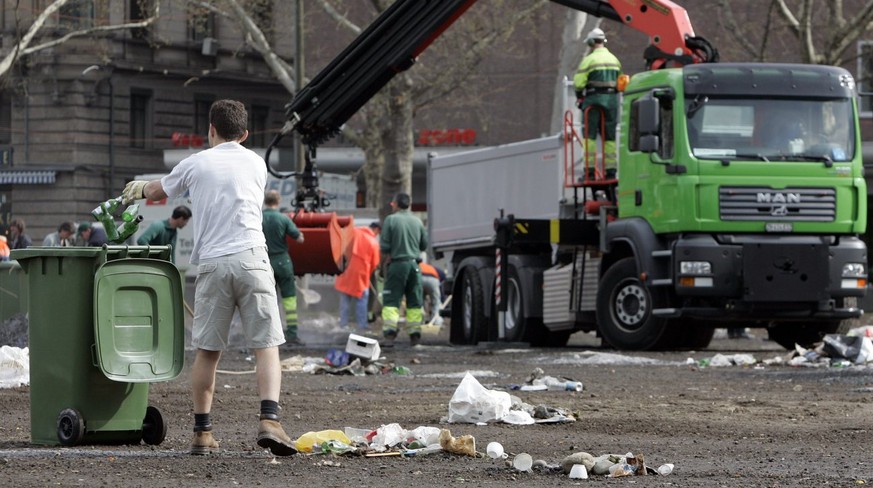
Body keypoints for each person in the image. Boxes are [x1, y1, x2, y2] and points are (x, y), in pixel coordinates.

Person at [120, 99, 297, 457]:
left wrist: (137, 189)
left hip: (214, 264)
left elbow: (157, 191)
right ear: (246, 134)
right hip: (253, 259)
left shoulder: (197, 162)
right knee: (265, 345)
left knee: (208, 352)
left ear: (211, 130)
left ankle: (203, 432)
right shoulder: (258, 163)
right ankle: (270, 420)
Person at [379, 192, 428, 347]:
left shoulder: (391, 220)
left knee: (392, 301)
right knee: (414, 300)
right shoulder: (417, 221)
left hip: (397, 265)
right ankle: (415, 336)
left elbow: (384, 246)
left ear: (396, 204)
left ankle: (389, 335)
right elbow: (424, 245)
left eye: (392, 203)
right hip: (414, 266)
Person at [573, 27, 622, 180]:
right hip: (612, 101)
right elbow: (620, 83)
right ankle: (611, 171)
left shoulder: (589, 60)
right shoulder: (615, 60)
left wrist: (580, 97)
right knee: (609, 137)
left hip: (593, 101)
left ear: (592, 42)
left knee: (590, 136)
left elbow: (579, 83)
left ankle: (590, 172)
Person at [261, 190, 305, 346]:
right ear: (278, 201)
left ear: (265, 201)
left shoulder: (258, 218)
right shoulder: (283, 218)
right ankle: (292, 333)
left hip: (264, 263)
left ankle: (268, 334)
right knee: (289, 300)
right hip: (283, 262)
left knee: (267, 299)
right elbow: (300, 239)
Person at [335, 224, 380, 331]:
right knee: (362, 300)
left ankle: (343, 324)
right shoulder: (373, 242)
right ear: (376, 230)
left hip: (345, 272)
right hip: (361, 275)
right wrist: (369, 273)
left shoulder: (353, 232)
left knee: (345, 299)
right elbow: (374, 263)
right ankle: (362, 325)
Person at [418, 261, 445, 326]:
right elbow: (441, 283)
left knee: (420, 302)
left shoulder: (415, 266)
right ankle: (436, 321)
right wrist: (442, 299)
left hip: (419, 278)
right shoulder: (431, 267)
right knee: (436, 302)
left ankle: (421, 321)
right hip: (433, 280)